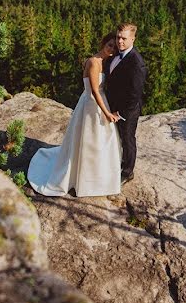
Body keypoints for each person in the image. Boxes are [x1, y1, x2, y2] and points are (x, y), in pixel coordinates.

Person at [27, 32, 122, 197]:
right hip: (92, 104)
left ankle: (97, 173)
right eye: (109, 45)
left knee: (99, 140)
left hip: (98, 101)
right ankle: (84, 177)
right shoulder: (93, 62)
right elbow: (93, 91)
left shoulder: (104, 61)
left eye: (115, 47)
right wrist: (106, 113)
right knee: (90, 139)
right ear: (103, 44)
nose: (112, 49)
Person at [104, 23, 147, 185]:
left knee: (127, 139)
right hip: (111, 104)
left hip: (127, 111)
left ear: (133, 39)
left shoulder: (137, 64)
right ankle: (114, 162)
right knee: (113, 136)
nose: (119, 41)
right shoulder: (115, 54)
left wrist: (119, 113)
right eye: (118, 37)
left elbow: (134, 95)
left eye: (124, 38)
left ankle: (128, 171)